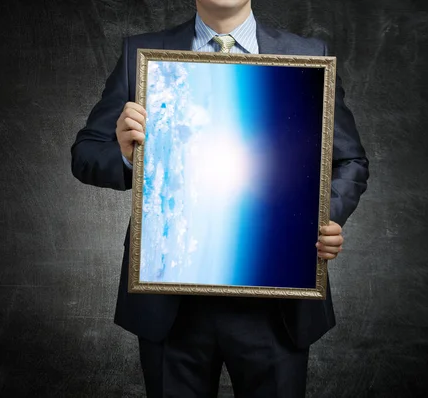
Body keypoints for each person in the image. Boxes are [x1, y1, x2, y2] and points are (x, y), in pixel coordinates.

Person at [71, 0, 369, 396]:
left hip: (277, 300)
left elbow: (350, 160)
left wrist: (319, 216)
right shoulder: (141, 58)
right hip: (171, 300)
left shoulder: (308, 56)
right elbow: (86, 155)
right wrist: (128, 156)